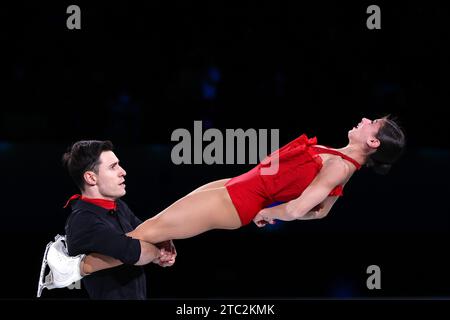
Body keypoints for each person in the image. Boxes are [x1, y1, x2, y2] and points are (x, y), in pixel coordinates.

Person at [46, 115, 405, 285]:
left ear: (373, 143)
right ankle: (74, 267)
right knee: (149, 229)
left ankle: (73, 270)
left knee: (148, 232)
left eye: (372, 123)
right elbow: (322, 211)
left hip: (241, 200)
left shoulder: (341, 167)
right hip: (237, 187)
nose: (364, 119)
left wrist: (269, 212)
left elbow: (299, 209)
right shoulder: (342, 160)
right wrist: (269, 209)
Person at [39, 140, 177, 299]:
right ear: (91, 178)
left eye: (119, 165)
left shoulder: (119, 206)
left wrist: (164, 243)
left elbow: (151, 232)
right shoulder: (82, 221)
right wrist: (158, 252)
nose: (123, 171)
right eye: (113, 167)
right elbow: (137, 253)